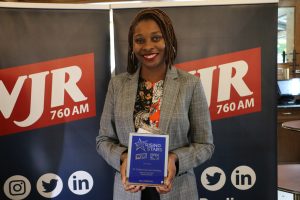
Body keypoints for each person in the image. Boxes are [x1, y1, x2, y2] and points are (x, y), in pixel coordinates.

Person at [96, 8, 214, 200]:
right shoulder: (117, 85)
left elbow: (205, 145)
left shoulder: (190, 84)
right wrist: (123, 158)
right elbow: (103, 141)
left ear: (168, 40)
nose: (148, 46)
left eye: (156, 38)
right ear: (132, 45)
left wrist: (174, 160)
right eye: (140, 40)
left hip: (178, 191)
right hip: (128, 192)